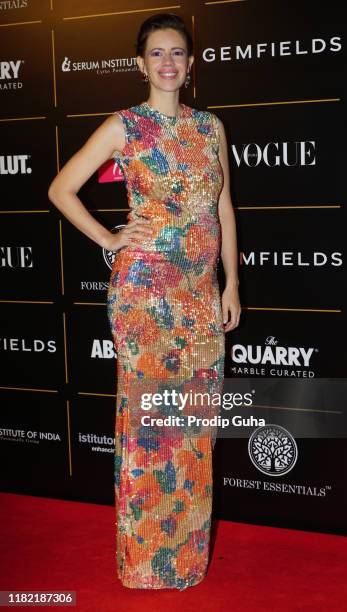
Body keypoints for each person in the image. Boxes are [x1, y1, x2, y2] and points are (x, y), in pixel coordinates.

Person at [48, 12, 241, 591]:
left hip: (202, 295)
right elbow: (60, 188)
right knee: (150, 426)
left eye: (177, 53)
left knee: (193, 426)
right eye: (156, 53)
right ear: (141, 63)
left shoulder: (211, 129)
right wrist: (109, 238)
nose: (167, 63)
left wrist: (232, 283)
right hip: (145, 297)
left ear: (189, 62)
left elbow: (222, 208)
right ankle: (144, 563)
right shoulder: (124, 126)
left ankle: (184, 560)